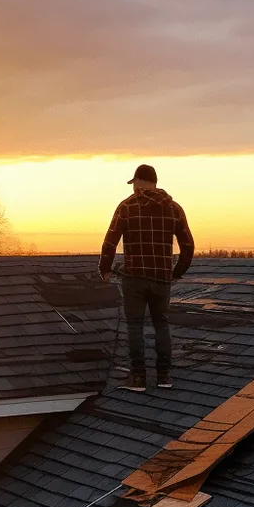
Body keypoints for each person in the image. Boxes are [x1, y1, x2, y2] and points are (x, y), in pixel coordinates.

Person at [98, 164, 194, 391]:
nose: (133, 188)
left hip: (135, 277)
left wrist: (105, 269)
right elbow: (188, 246)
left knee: (135, 326)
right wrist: (177, 272)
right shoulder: (174, 208)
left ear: (140, 182)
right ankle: (164, 376)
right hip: (162, 278)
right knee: (162, 324)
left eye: (135, 183)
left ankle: (138, 377)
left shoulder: (127, 207)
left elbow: (110, 242)